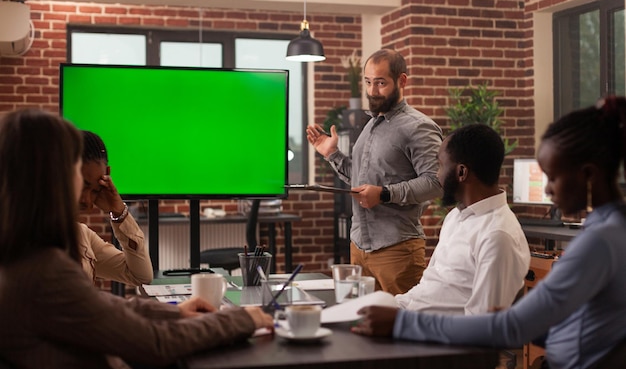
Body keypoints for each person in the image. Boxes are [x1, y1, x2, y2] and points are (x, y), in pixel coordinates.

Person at [352, 97, 626, 369]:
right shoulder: (609, 230)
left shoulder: (598, 242)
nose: (547, 191)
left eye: (552, 178)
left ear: (589, 175)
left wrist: (402, 323)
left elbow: (512, 329)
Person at [0, 109, 274, 369]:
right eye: (74, 167)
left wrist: (175, 312)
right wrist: (241, 318)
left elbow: (99, 305)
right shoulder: (43, 271)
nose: (85, 193)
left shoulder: (24, 254)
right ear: (50, 178)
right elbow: (154, 343)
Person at [306, 48, 443, 295]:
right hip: (359, 247)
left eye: (380, 83)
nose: (372, 91)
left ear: (402, 81)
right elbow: (360, 180)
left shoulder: (419, 127)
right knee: (364, 323)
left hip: (397, 250)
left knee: (403, 326)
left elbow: (435, 182)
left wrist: (385, 194)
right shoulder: (370, 125)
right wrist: (331, 154)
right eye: (368, 82)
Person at [395, 123, 531, 314]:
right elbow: (428, 286)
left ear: (461, 172)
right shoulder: (455, 217)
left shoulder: (497, 236)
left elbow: (481, 324)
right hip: (411, 317)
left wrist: (403, 323)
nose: (437, 174)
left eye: (441, 165)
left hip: (435, 338)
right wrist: (393, 307)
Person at [79, 130, 153, 285]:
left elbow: (141, 276)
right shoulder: (30, 236)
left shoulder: (82, 236)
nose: (86, 201)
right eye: (82, 186)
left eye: (95, 191)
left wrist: (118, 211)